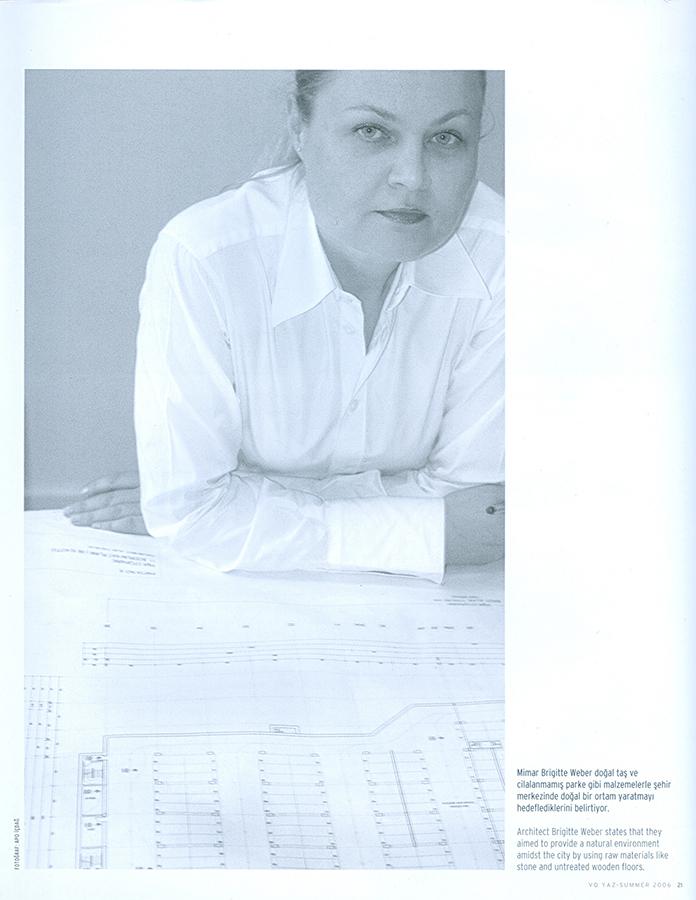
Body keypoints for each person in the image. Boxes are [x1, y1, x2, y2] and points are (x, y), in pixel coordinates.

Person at [64, 70, 504, 581]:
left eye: (446, 138)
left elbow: (482, 507)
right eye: (372, 131)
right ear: (299, 126)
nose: (412, 177)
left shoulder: (506, 257)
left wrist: (249, 506)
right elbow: (194, 513)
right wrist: (430, 531)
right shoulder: (207, 255)